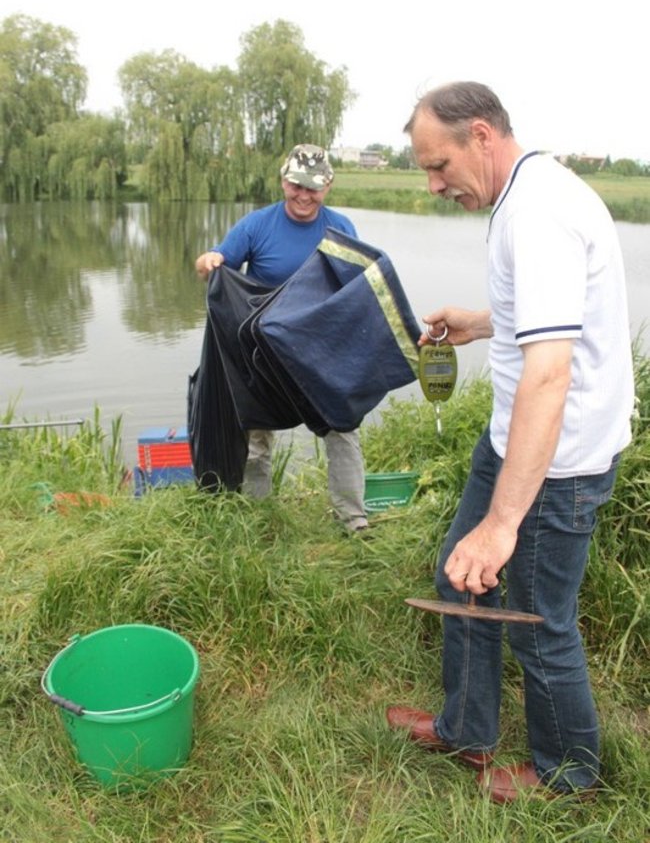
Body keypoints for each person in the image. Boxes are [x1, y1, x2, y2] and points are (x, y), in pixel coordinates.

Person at [386, 82, 635, 802]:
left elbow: (550, 376)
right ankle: (467, 727)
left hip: (557, 462)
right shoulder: (527, 194)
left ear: (482, 137)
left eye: (439, 166)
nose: (434, 185)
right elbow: (554, 315)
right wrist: (480, 321)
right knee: (457, 577)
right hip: (515, 444)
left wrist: (502, 524)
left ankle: (568, 776)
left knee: (537, 623)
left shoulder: (538, 215)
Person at [195, 143, 370, 535]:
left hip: (322, 352)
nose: (304, 196)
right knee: (256, 436)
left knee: (343, 430)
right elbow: (214, 262)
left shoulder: (341, 228)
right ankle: (260, 518)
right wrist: (210, 262)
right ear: (282, 181)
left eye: (313, 187)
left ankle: (354, 519)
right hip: (263, 355)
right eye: (296, 185)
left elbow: (359, 289)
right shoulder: (257, 225)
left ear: (328, 186)